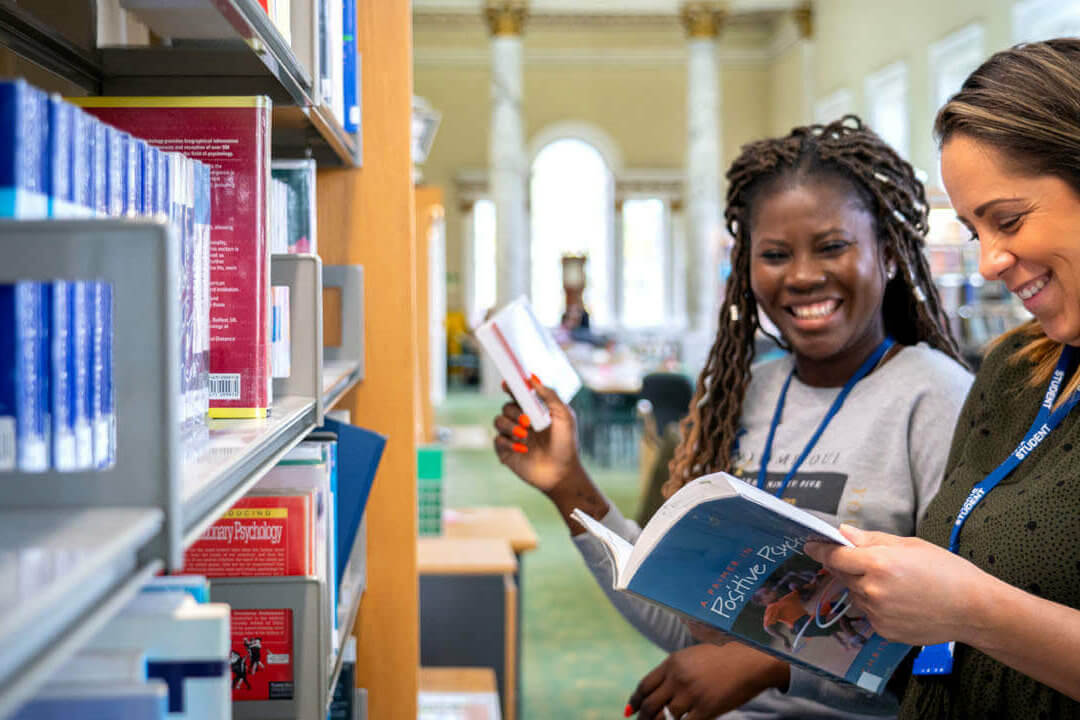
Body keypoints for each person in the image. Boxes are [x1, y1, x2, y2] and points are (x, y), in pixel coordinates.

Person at [493, 116, 973, 720]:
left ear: (890, 253)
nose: (801, 275)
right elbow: (692, 624)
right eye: (774, 254)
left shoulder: (937, 398)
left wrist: (775, 661)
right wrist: (568, 485)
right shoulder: (744, 394)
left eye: (832, 246)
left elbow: (958, 646)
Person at [673, 39, 1080, 720]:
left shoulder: (932, 392)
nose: (989, 263)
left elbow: (962, 615)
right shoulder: (1015, 372)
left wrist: (969, 608)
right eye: (976, 232)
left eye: (1007, 219)